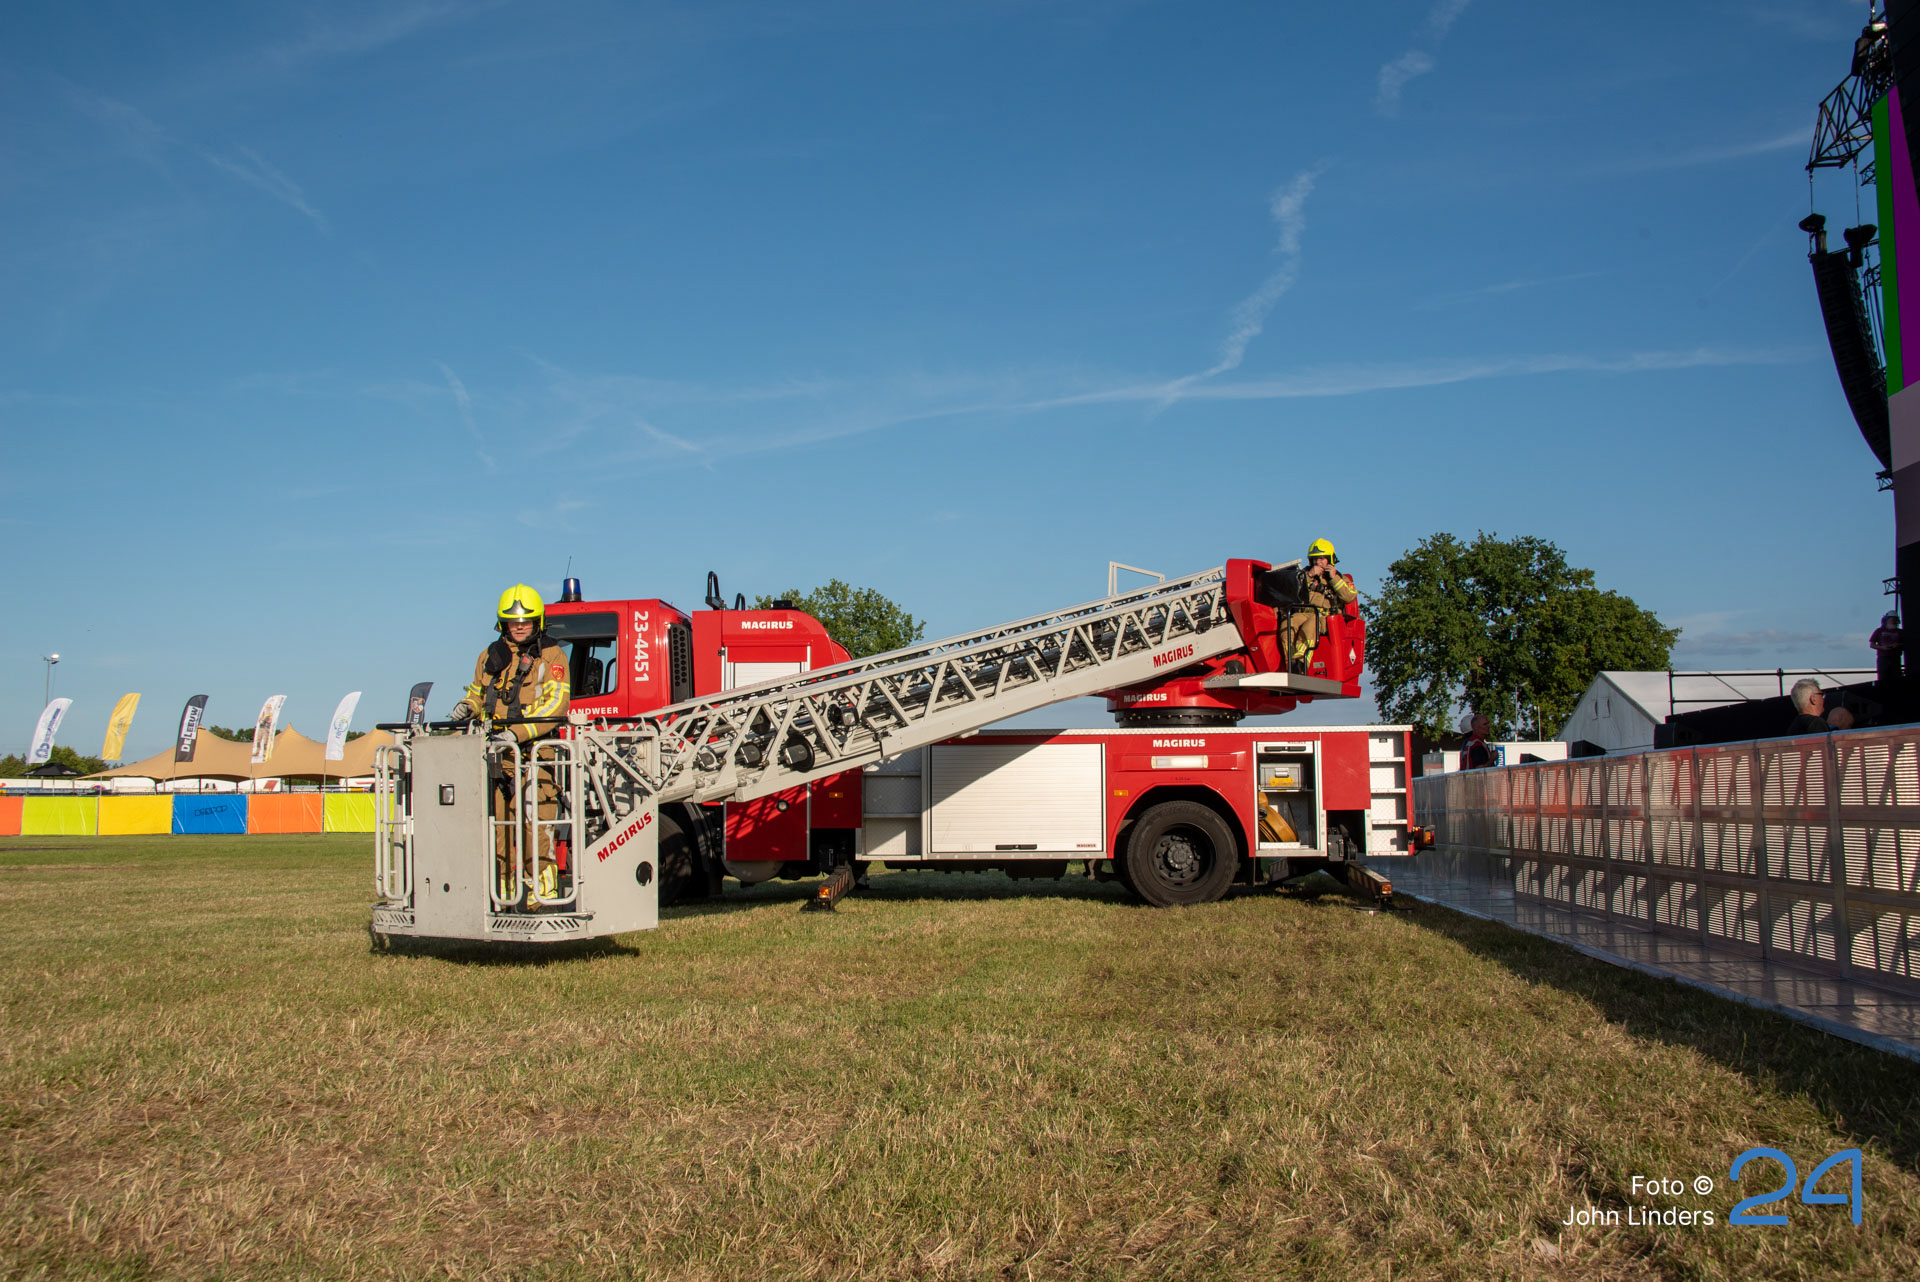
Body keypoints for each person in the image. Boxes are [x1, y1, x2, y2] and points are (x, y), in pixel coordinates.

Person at [448, 584, 572, 909]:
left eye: (525, 621)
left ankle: (542, 897)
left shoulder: (552, 656)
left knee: (535, 822)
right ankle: (501, 896)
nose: (519, 627)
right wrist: (467, 706)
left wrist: (517, 735)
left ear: (537, 621)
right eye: (513, 622)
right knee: (495, 827)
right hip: (495, 757)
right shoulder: (489, 655)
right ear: (502, 623)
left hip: (535, 755)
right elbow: (477, 692)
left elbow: (556, 704)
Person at [1287, 537, 1358, 672]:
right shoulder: (1303, 576)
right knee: (1288, 624)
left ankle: (1301, 663)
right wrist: (1309, 576)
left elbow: (1349, 597)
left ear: (1330, 559)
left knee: (1311, 624)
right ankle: (1288, 663)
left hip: (1326, 618)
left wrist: (1333, 578)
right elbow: (1290, 592)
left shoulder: (1341, 578)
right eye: (1314, 559)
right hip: (1304, 614)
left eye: (1321, 559)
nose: (1318, 562)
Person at [1870, 611, 1903, 688]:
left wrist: (1898, 645)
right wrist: (1882, 648)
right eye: (1892, 619)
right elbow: (1872, 644)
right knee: (1883, 678)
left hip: (1895, 658)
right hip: (1883, 658)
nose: (1894, 621)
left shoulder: (1900, 632)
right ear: (1886, 620)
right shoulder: (1879, 631)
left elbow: (1906, 644)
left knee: (1896, 678)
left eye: (1895, 619)